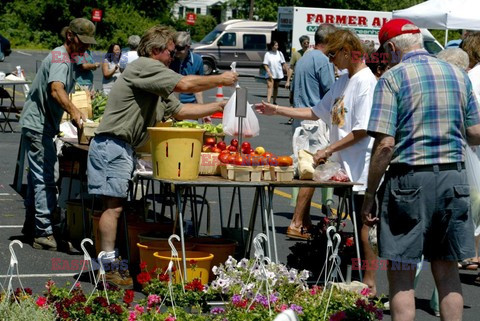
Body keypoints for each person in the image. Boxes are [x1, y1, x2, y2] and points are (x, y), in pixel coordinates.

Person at [87, 25, 238, 288]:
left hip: (122, 146)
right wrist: (220, 80)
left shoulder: (155, 78)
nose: (174, 56)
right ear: (156, 51)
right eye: (170, 51)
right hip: (112, 143)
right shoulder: (144, 66)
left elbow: (179, 111)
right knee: (113, 207)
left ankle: (109, 266)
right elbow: (185, 84)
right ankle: (107, 269)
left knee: (115, 206)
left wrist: (220, 106)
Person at [361, 19, 480, 321]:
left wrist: (370, 193)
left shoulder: (393, 77)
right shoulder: (457, 74)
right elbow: (476, 132)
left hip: (409, 179)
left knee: (401, 270)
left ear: (391, 48)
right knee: (447, 267)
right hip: (454, 178)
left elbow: (386, 145)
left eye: (385, 53)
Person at [255, 29, 378, 296]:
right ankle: (357, 278)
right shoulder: (344, 80)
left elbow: (363, 130)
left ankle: (369, 281)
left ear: (347, 51)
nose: (330, 60)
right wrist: (277, 110)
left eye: (333, 54)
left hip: (361, 168)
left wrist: (328, 148)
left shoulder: (366, 82)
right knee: (355, 225)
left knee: (365, 226)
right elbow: (315, 111)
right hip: (345, 168)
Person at [19, 18, 93, 250]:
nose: (86, 47)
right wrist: (73, 110)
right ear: (70, 36)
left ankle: (34, 225)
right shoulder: (61, 58)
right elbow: (56, 89)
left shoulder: (64, 56)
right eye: (82, 41)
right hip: (38, 124)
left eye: (89, 43)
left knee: (37, 177)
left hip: (38, 124)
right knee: (45, 177)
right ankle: (43, 231)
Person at [288, 24, 336, 240]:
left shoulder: (305, 57)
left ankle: (304, 221)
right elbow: (331, 92)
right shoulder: (322, 60)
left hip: (300, 119)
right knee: (312, 172)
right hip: (314, 121)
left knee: (305, 171)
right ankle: (297, 222)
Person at [170, 31, 210, 123]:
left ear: (188, 47)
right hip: (171, 106)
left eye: (179, 48)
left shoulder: (197, 60)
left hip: (190, 107)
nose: (176, 51)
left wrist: (203, 113)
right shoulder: (169, 58)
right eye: (174, 47)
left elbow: (198, 88)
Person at [285, 35, 310, 124]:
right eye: (304, 43)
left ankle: (304, 116)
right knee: (293, 98)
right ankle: (292, 116)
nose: (306, 44)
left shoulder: (311, 53)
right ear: (301, 44)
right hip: (297, 79)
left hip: (307, 80)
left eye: (308, 42)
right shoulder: (296, 54)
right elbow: (291, 67)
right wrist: (288, 80)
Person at [263, 40, 286, 105]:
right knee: (270, 86)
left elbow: (283, 63)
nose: (277, 46)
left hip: (278, 73)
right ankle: (268, 101)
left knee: (276, 87)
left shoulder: (280, 53)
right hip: (270, 73)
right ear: (272, 46)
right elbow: (265, 64)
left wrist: (285, 69)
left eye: (277, 45)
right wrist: (268, 72)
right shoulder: (268, 54)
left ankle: (274, 101)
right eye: (276, 45)